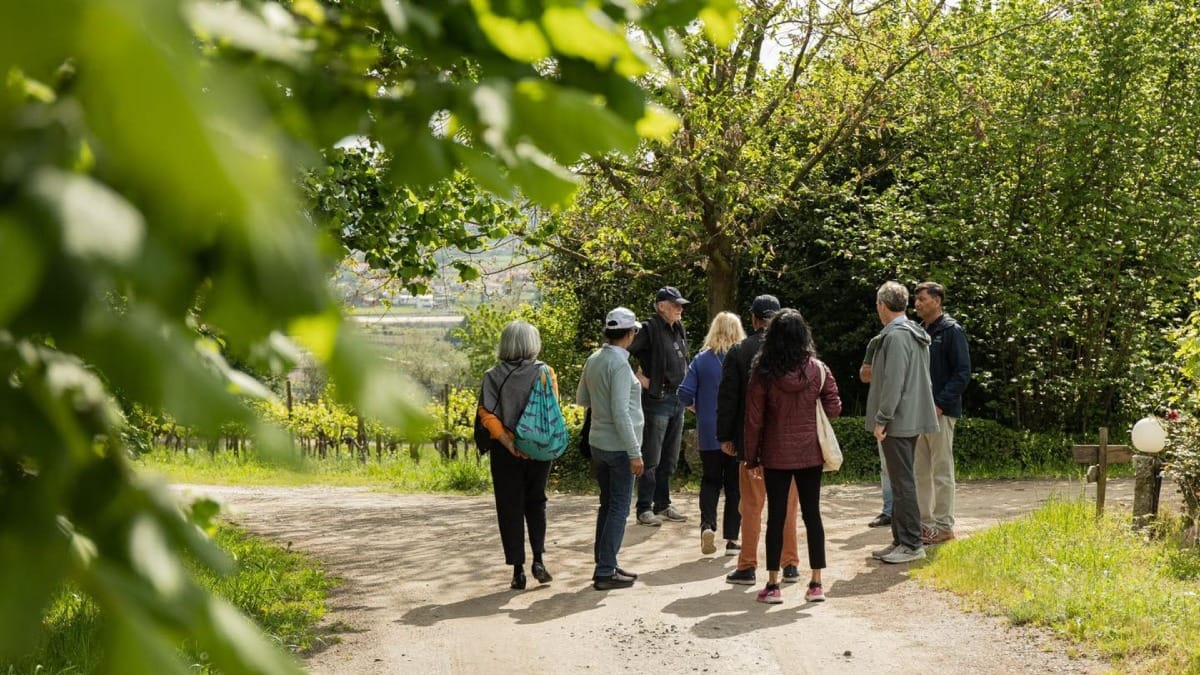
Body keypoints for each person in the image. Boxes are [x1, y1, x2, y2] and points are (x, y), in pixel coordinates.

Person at [743, 309, 842, 604]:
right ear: (804, 336)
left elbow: (753, 419)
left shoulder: (763, 372)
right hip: (810, 452)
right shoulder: (818, 369)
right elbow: (835, 408)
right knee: (812, 515)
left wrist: (751, 457)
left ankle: (772, 585)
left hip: (775, 454)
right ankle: (816, 583)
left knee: (776, 516)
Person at [716, 295, 802, 585]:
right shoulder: (798, 352)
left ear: (753, 319)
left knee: (751, 506)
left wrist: (725, 436)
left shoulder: (740, 351)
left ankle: (748, 565)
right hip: (790, 447)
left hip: (752, 443)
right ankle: (789, 563)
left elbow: (727, 399)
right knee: (787, 506)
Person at [477, 321, 558, 590]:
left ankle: (517, 570)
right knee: (537, 502)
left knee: (509, 506)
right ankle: (539, 560)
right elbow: (551, 412)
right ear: (532, 344)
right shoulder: (545, 372)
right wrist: (529, 443)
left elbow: (486, 414)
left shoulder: (492, 375)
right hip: (539, 449)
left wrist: (508, 442)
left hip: (504, 451)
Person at [866, 282, 940, 565]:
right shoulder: (913, 332)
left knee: (903, 483)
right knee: (901, 482)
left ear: (882, 305)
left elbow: (893, 382)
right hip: (909, 417)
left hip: (897, 420)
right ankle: (901, 540)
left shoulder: (896, 336)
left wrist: (882, 418)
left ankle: (910, 544)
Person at [577, 307, 647, 590]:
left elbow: (583, 398)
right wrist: (635, 452)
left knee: (607, 505)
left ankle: (605, 562)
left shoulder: (594, 358)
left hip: (598, 442)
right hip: (619, 447)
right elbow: (621, 412)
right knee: (619, 507)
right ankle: (606, 570)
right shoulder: (619, 364)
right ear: (629, 334)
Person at [679, 311, 745, 556]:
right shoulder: (742, 357)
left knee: (710, 480)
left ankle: (707, 525)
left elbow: (684, 393)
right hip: (735, 431)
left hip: (709, 430)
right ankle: (731, 539)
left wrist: (698, 408)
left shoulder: (701, 360)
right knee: (734, 485)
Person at [913, 281, 972, 545]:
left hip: (941, 413)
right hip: (917, 413)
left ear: (937, 301)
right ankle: (924, 525)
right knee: (920, 472)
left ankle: (944, 525)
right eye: (916, 300)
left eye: (922, 299)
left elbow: (962, 373)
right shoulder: (919, 331)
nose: (917, 304)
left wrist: (939, 404)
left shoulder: (952, 330)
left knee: (941, 470)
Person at [629, 286, 691, 526]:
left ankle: (662, 504)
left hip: (677, 400)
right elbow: (622, 352)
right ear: (661, 305)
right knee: (651, 457)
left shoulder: (678, 328)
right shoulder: (648, 328)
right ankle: (644, 507)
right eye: (675, 305)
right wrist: (641, 379)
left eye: (681, 305)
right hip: (657, 401)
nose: (680, 309)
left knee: (670, 458)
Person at [859, 335, 892, 528]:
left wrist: (879, 371)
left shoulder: (913, 337)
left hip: (909, 412)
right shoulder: (876, 342)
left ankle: (915, 513)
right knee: (886, 465)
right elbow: (864, 374)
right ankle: (889, 511)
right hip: (883, 412)